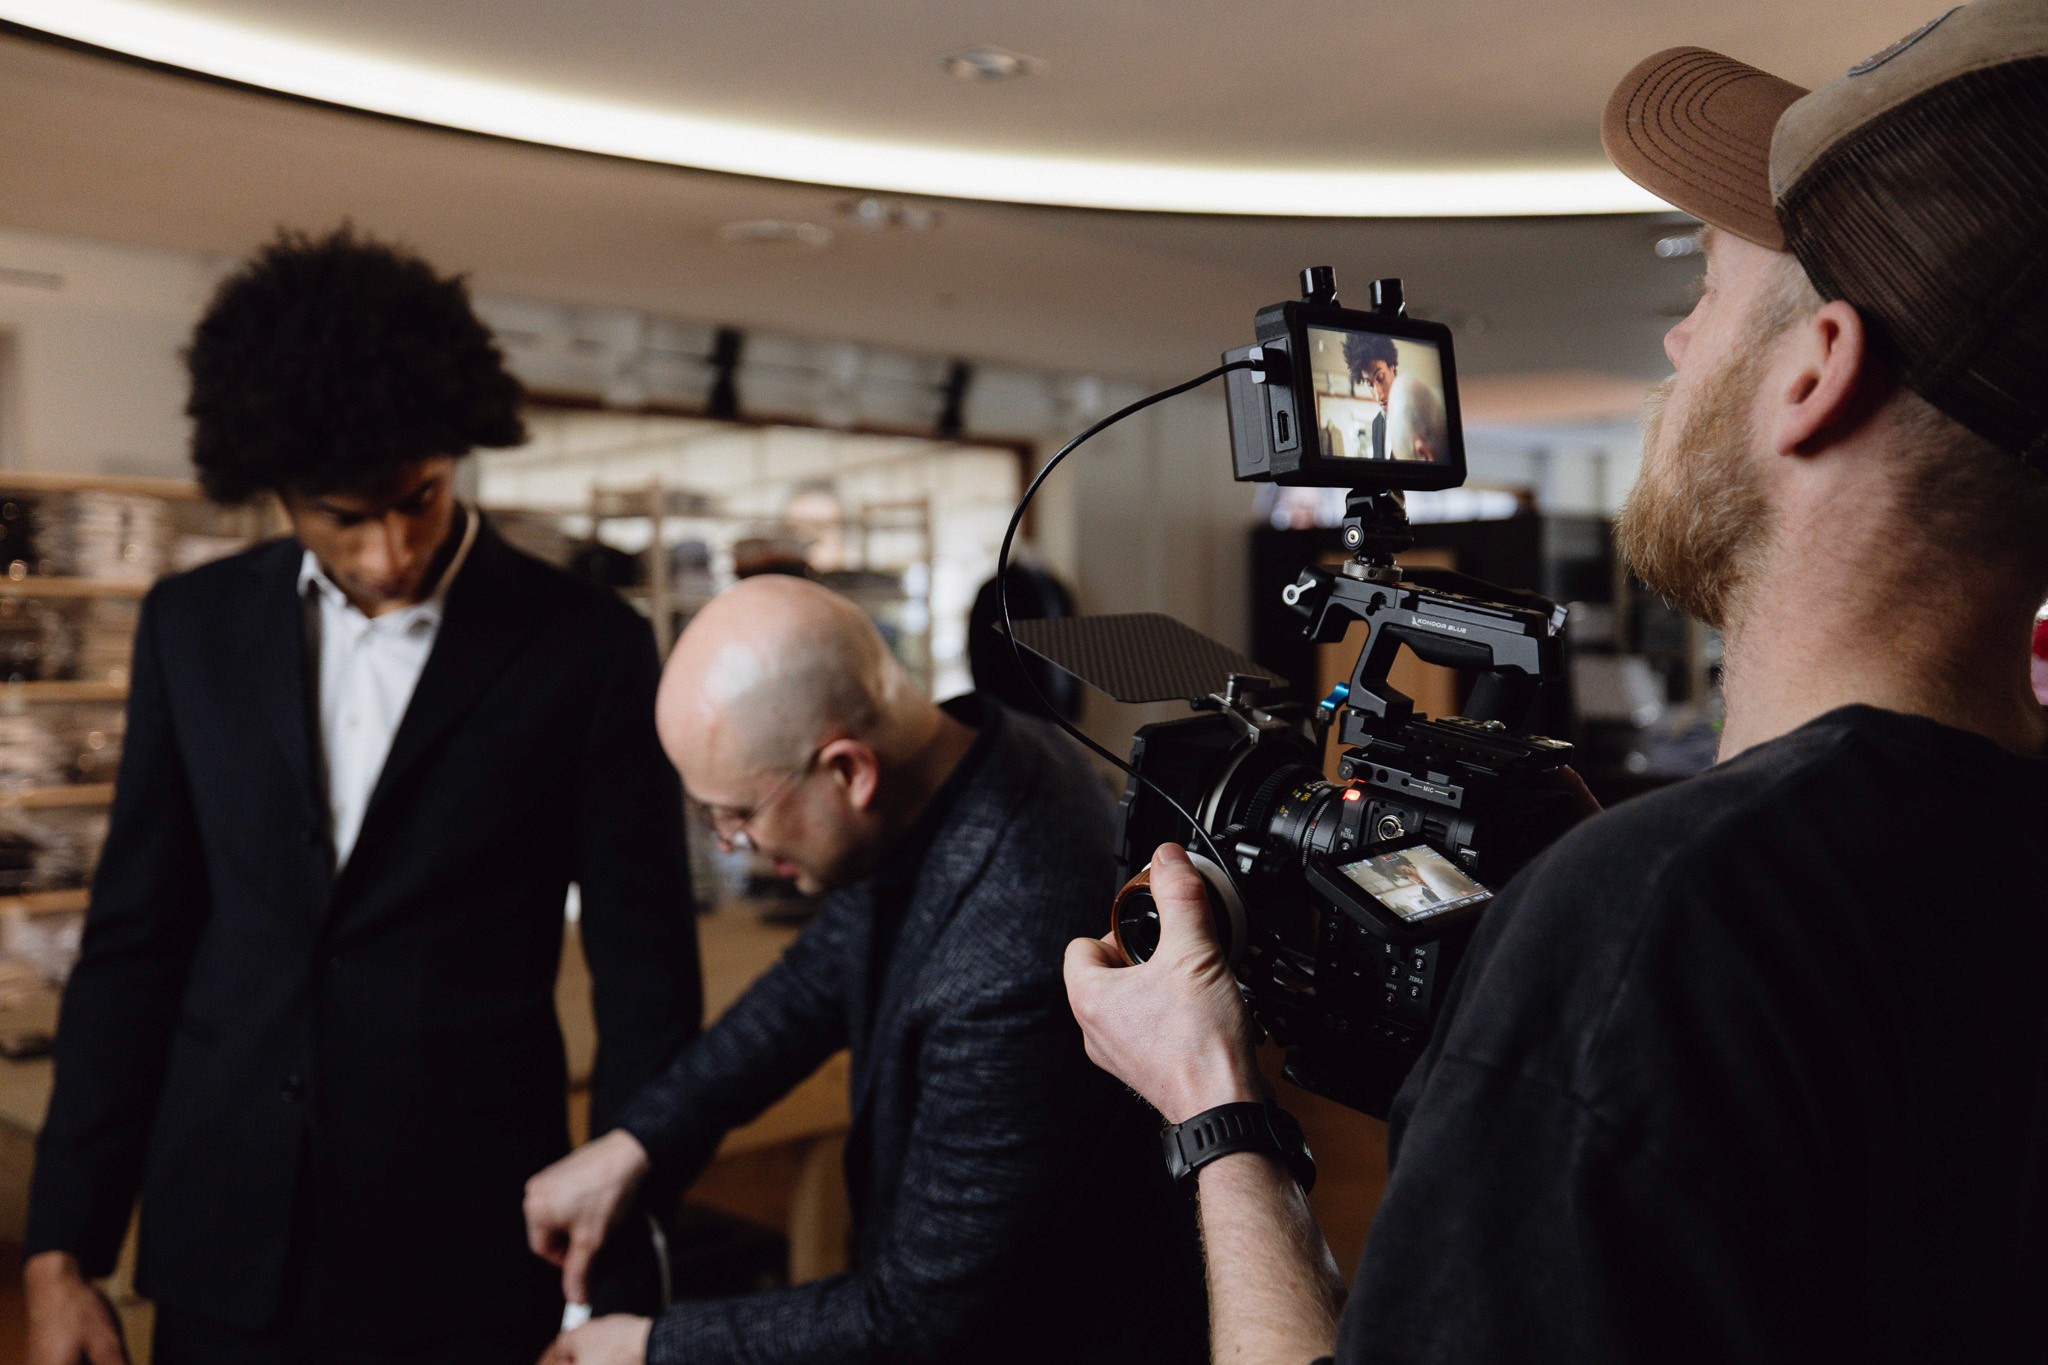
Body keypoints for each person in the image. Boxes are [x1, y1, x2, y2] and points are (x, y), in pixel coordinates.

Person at [1067, 4, 2048, 1362]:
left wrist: (1215, 1105)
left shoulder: (1663, 927)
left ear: (1817, 374)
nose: (1672, 350)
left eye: (1701, 293)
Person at [23, 227, 703, 1365]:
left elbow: (648, 980)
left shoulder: (584, 646)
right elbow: (134, 943)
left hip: (478, 1242)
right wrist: (61, 1250)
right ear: (271, 489)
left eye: (419, 500)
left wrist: (614, 1279)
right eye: (344, 516)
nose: (388, 553)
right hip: (223, 1234)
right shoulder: (191, 631)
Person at [523, 574, 1204, 1365]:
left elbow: (920, 1316)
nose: (726, 844)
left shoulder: (1016, 943)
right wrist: (635, 1143)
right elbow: (813, 979)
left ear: (848, 770)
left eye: (737, 815)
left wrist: (649, 1347)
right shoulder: (964, 754)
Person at [1341, 333, 1446, 462]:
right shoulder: (1376, 425)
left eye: (1380, 378)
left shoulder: (1419, 408)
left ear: (1392, 367)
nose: (1378, 396)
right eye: (1369, 384)